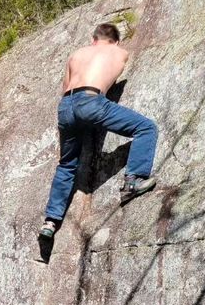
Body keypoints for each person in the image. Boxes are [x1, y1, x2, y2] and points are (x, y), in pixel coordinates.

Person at [40, 22, 158, 241]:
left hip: (66, 106)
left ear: (93, 39)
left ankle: (50, 221)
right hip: (91, 101)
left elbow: (64, 86)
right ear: (116, 40)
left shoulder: (76, 54)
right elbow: (109, 79)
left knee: (66, 164)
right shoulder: (119, 52)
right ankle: (133, 181)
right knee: (146, 128)